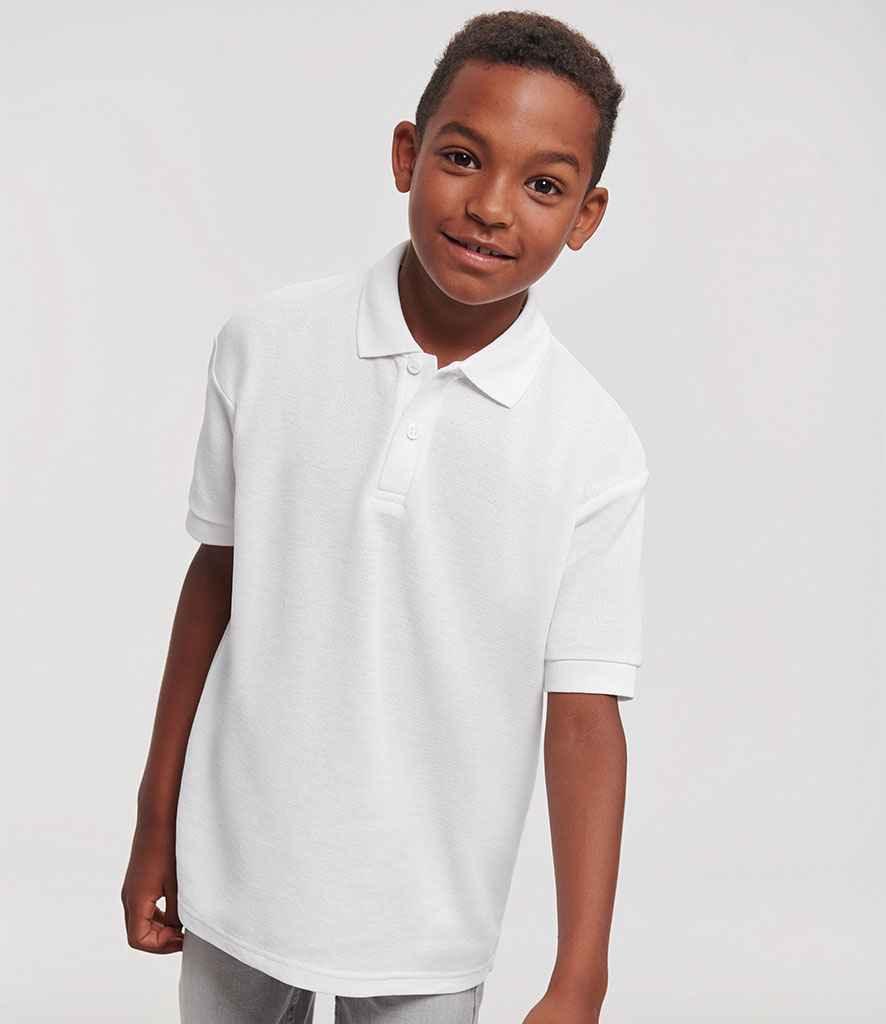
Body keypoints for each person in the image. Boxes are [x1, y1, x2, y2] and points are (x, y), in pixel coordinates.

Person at [122, 10, 649, 1024]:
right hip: (238, 868)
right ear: (408, 153)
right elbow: (217, 580)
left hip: (427, 912)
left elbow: (586, 718)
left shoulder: (593, 446)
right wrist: (156, 818)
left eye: (543, 185)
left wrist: (581, 974)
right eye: (462, 157)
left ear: (586, 216)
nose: (490, 206)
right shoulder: (266, 345)